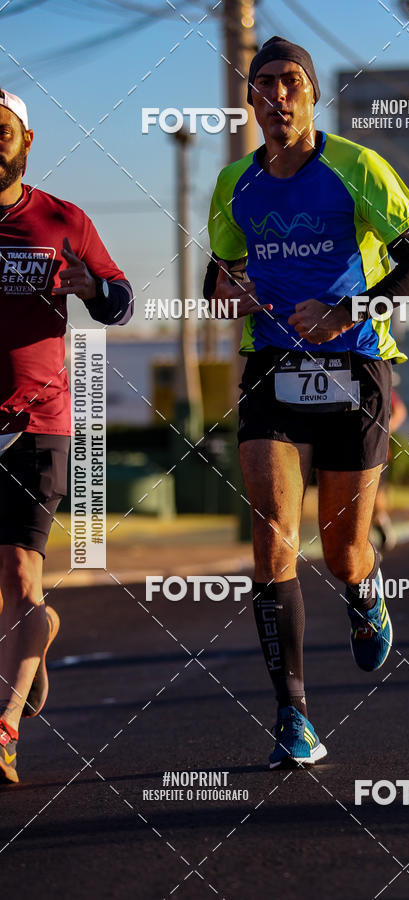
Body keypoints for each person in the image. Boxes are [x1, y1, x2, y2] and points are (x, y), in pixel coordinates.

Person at [204, 37, 409, 768]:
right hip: (272, 366)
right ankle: (293, 715)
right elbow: (215, 281)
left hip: (354, 368)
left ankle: (364, 590)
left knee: (340, 551)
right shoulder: (234, 184)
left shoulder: (356, 167)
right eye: (264, 84)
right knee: (274, 537)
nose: (277, 95)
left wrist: (349, 310)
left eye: (291, 83)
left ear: (310, 95)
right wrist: (227, 292)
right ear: (251, 100)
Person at [0, 89, 133, 783]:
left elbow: (121, 300)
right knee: (14, 598)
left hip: (37, 423)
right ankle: (34, 639)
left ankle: (5, 728)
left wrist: (90, 288)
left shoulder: (61, 219)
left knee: (22, 574)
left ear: (26, 140)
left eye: (2, 131)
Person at [371, 387, 407, 551]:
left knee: (377, 496)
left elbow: (400, 411)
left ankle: (381, 522)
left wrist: (385, 429)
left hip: (378, 454)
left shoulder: (382, 387)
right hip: (352, 454)